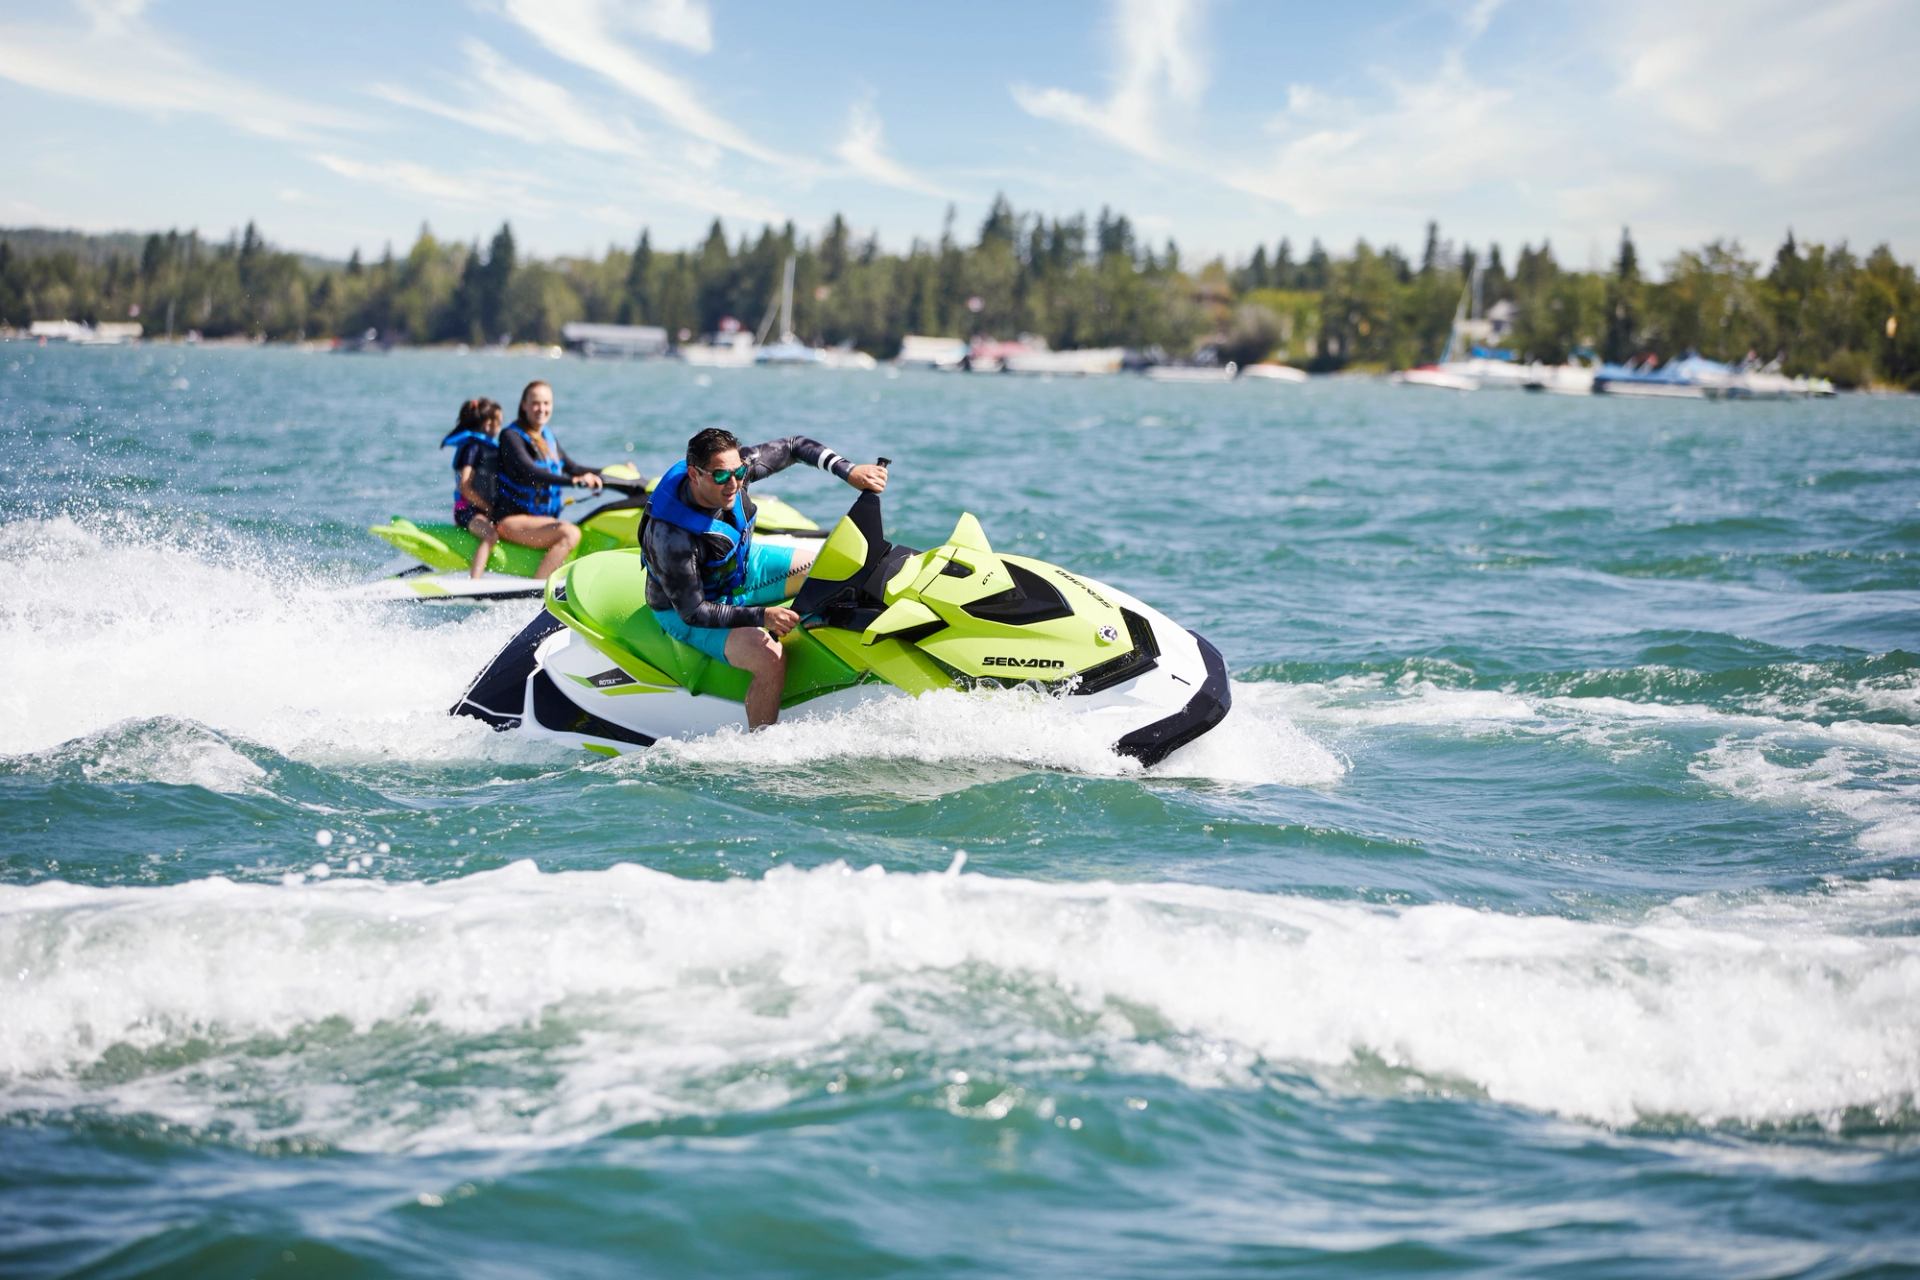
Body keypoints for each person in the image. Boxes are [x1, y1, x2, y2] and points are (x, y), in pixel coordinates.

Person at [642, 428, 886, 729]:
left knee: (835, 568)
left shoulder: (734, 473)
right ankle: (760, 745)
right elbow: (694, 612)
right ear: (694, 474)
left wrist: (848, 471)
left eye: (740, 472)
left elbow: (795, 446)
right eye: (721, 476)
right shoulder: (670, 536)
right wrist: (763, 616)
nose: (733, 484)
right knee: (770, 659)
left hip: (742, 571)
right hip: (689, 610)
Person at [492, 380, 603, 580]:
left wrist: (613, 472)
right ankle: (537, 591)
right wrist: (576, 482)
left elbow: (573, 468)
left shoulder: (547, 437)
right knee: (570, 533)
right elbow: (530, 472)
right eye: (536, 403)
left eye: (546, 403)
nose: (541, 409)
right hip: (511, 521)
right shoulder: (510, 436)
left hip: (539, 520)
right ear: (524, 405)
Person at [441, 397, 503, 579]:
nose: (500, 426)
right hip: (466, 511)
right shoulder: (473, 448)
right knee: (490, 535)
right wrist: (488, 508)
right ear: (488, 423)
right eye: (499, 421)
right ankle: (474, 582)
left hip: (481, 511)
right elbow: (465, 486)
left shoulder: (486, 447)